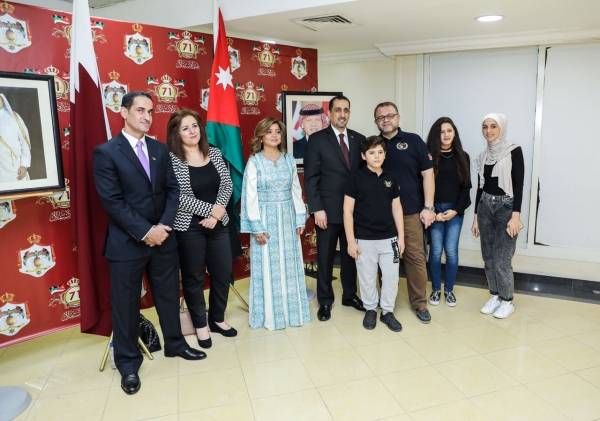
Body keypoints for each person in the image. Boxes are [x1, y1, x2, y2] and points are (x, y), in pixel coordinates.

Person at [93, 92, 206, 396]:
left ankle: (175, 344)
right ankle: (128, 364)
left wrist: (163, 227)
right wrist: (146, 231)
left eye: (151, 111)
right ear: (124, 112)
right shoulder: (106, 153)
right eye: (140, 110)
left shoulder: (160, 149)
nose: (146, 116)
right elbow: (112, 201)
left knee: (168, 295)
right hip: (127, 243)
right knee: (126, 305)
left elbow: (173, 191)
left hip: (164, 239)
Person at [166, 109, 237, 349]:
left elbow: (227, 185)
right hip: (189, 227)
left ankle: (217, 318)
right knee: (194, 277)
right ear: (176, 133)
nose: (192, 131)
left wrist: (216, 214)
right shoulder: (172, 160)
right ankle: (200, 325)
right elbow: (180, 197)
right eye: (185, 128)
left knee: (223, 273)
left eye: (195, 126)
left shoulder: (214, 152)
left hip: (218, 223)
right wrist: (211, 211)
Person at [241, 117, 310, 330]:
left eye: (277, 131)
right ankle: (270, 316)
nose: (274, 135)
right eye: (269, 131)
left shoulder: (289, 160)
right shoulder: (255, 162)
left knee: (289, 265)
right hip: (265, 219)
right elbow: (250, 196)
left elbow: (296, 190)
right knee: (267, 266)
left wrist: (300, 217)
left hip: (288, 218)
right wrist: (256, 227)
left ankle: (293, 314)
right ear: (261, 136)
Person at [304, 94, 366, 321]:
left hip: (354, 213)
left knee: (351, 256)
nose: (342, 114)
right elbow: (311, 178)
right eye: (338, 110)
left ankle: (349, 295)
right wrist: (316, 208)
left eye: (346, 110)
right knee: (325, 258)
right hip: (327, 212)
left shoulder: (359, 139)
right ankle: (325, 301)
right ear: (329, 113)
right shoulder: (317, 140)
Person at [374, 101, 434, 323]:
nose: (385, 120)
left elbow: (428, 174)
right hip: (381, 214)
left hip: (410, 212)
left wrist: (428, 207)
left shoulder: (414, 141)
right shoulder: (373, 145)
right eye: (381, 117)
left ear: (398, 117)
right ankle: (385, 302)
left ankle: (420, 303)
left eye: (390, 115)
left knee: (415, 257)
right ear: (376, 122)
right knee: (383, 259)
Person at [343, 135, 405, 331]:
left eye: (380, 152)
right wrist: (351, 241)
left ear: (385, 155)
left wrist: (401, 238)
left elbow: (397, 208)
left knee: (391, 277)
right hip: (364, 239)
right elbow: (347, 211)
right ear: (363, 156)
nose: (376, 156)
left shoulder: (391, 178)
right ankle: (370, 309)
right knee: (367, 277)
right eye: (372, 153)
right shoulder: (355, 178)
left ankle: (387, 311)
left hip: (390, 239)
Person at [471, 113, 524, 319]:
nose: (489, 131)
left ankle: (507, 300)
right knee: (488, 256)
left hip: (506, 208)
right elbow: (480, 187)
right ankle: (494, 295)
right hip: (485, 206)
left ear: (502, 128)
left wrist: (515, 216)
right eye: (485, 127)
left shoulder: (514, 151)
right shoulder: (484, 155)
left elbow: (518, 186)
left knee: (502, 258)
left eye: (493, 126)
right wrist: (475, 217)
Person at [425, 117, 471, 307]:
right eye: (441, 131)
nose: (446, 135)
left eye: (449, 131)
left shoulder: (463, 156)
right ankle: (436, 289)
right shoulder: (428, 156)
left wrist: (456, 210)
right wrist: (431, 211)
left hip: (454, 211)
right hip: (434, 211)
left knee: (451, 251)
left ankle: (449, 290)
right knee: (436, 251)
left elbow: (466, 187)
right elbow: (422, 185)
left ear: (454, 133)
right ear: (436, 135)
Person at [0, 93, 31, 183]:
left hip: (15, 169)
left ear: (2, 99)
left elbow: (24, 143)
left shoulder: (14, 117)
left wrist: (24, 165)